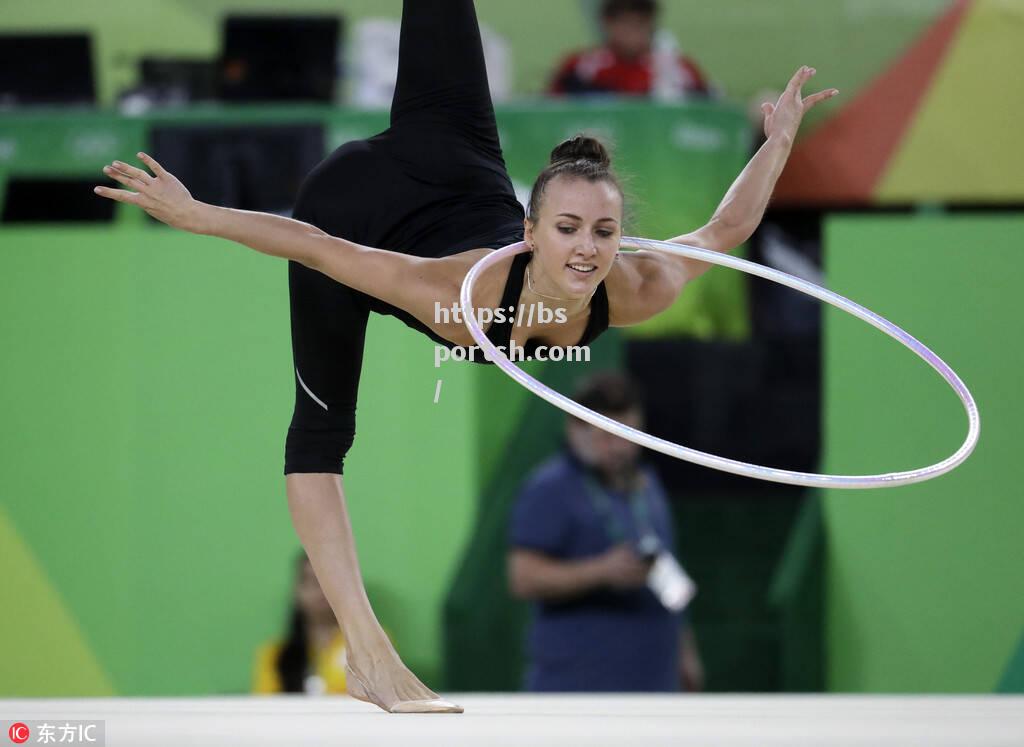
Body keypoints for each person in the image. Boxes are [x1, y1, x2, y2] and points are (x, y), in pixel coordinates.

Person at [93, 0, 837, 713]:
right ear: (532, 230)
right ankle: (367, 647)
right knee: (320, 435)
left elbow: (720, 232)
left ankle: (369, 652)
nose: (587, 249)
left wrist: (774, 143)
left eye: (604, 233)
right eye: (569, 228)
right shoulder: (461, 295)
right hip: (352, 217)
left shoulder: (635, 288)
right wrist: (199, 216)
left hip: (452, 154)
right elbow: (319, 246)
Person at [507, 372, 704, 692]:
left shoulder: (647, 484)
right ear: (575, 430)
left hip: (656, 681)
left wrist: (686, 652)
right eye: (607, 436)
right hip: (579, 686)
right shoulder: (549, 488)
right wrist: (601, 571)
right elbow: (522, 577)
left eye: (629, 434)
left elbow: (668, 570)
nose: (620, 448)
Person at [548, 0, 713, 98]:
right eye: (623, 21)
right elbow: (549, 112)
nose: (631, 30)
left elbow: (713, 113)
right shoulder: (580, 68)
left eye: (639, 21)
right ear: (606, 23)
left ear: (651, 22)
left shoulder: (680, 70)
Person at [253, 551, 349, 695]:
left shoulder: (369, 642)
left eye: (328, 581)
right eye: (311, 581)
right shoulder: (275, 654)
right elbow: (264, 702)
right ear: (297, 591)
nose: (321, 590)